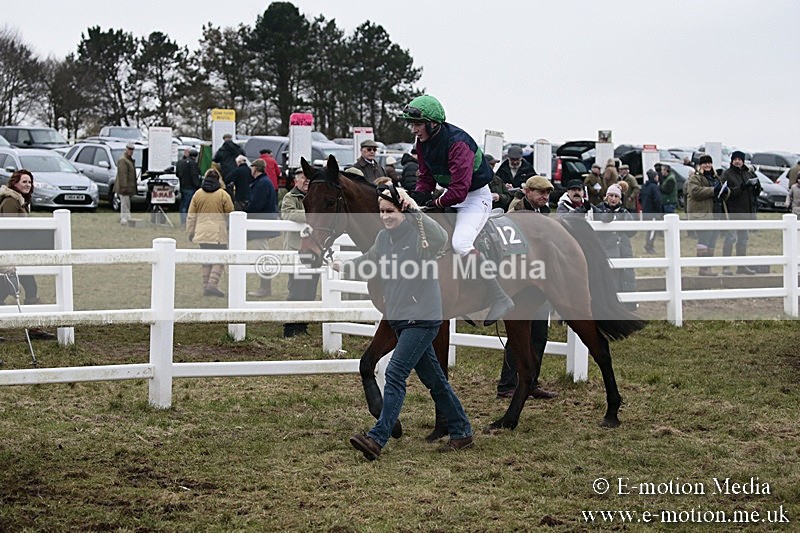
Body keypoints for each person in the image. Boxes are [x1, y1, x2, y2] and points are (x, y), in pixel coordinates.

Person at [341, 179, 473, 459]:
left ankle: (377, 438)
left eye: (391, 211)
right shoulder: (383, 239)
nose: (386, 217)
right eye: (382, 212)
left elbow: (440, 238)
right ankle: (462, 430)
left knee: (395, 372)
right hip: (401, 318)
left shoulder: (420, 237)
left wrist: (414, 209)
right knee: (435, 380)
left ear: (402, 211)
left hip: (422, 318)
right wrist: (342, 266)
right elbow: (370, 260)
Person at [402, 94, 513, 325]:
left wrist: (435, 203)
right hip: (450, 195)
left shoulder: (458, 144)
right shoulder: (422, 143)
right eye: (412, 124)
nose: (414, 129)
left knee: (460, 243)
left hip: (474, 198)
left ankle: (499, 296)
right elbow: (425, 179)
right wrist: (415, 200)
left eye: (417, 124)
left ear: (433, 124)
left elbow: (459, 191)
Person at [496, 174, 557, 400]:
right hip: (519, 283)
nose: (545, 196)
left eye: (548, 193)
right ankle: (506, 385)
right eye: (541, 192)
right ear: (528, 192)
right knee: (518, 336)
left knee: (539, 334)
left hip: (538, 281)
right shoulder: (515, 214)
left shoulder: (544, 213)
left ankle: (530, 382)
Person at [0, 169, 56, 340]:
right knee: (8, 289)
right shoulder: (11, 201)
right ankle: (33, 328)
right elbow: (7, 230)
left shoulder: (21, 201)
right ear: (15, 183)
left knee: (26, 287)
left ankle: (34, 327)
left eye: (30, 182)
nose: (27, 185)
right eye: (24, 181)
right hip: (10, 253)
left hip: (17, 252)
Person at [281, 167, 318, 337]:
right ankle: (290, 327)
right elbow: (289, 215)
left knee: (310, 289)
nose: (306, 181)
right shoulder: (290, 197)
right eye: (303, 177)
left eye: (308, 178)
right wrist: (313, 214)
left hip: (314, 249)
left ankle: (302, 326)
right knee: (296, 289)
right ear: (296, 180)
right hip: (297, 250)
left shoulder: (315, 196)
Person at [187, 169, 234, 297]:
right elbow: (230, 212)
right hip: (217, 232)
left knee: (206, 259)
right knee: (219, 258)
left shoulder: (198, 194)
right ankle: (212, 284)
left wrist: (191, 232)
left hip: (201, 232)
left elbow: (191, 215)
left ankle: (205, 285)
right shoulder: (222, 194)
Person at [590, 184, 637, 298]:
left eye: (616, 196)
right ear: (606, 196)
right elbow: (603, 218)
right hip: (606, 248)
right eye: (611, 195)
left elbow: (632, 232)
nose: (613, 199)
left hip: (623, 249)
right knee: (608, 276)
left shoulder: (623, 212)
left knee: (625, 275)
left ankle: (626, 301)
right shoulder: (599, 209)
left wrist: (627, 220)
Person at [686, 154, 726, 276]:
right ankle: (703, 268)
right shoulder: (695, 178)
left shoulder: (716, 178)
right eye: (705, 163)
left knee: (712, 242)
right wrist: (713, 190)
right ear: (700, 165)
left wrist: (725, 191)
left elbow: (722, 193)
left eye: (709, 163)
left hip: (715, 214)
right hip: (702, 215)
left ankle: (708, 267)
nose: (707, 165)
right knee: (704, 240)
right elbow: (695, 192)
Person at [721, 150, 759, 275]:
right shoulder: (727, 174)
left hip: (746, 212)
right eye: (735, 159)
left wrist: (756, 187)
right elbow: (726, 193)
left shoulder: (748, 173)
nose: (737, 161)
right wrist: (742, 187)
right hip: (733, 212)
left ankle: (741, 266)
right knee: (730, 238)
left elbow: (754, 195)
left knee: (743, 240)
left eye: (740, 159)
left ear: (743, 161)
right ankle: (726, 267)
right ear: (732, 161)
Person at [245, 159, 279, 298]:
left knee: (263, 256)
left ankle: (265, 288)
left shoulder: (262, 183)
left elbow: (256, 205)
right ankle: (264, 287)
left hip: (261, 225)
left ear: (255, 168)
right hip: (263, 224)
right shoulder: (264, 182)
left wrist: (244, 211)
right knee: (262, 255)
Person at [176, 148, 201, 226]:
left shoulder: (180, 162)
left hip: (183, 186)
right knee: (188, 205)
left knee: (183, 204)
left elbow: (178, 174)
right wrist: (198, 185)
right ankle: (186, 221)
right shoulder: (193, 164)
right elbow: (194, 176)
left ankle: (182, 220)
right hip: (190, 187)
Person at [640, 169, 662, 254]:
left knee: (650, 230)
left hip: (645, 211)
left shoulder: (644, 186)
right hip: (653, 212)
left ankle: (649, 245)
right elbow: (657, 200)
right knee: (652, 230)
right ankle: (649, 246)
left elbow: (640, 198)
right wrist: (658, 210)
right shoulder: (654, 187)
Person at [116, 143, 137, 225]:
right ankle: (124, 220)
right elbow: (122, 175)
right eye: (129, 149)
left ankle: (127, 218)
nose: (131, 151)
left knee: (127, 203)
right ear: (126, 149)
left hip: (129, 187)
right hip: (124, 187)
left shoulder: (129, 160)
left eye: (132, 150)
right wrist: (124, 187)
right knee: (124, 203)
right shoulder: (123, 160)